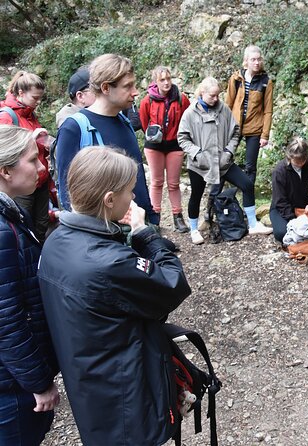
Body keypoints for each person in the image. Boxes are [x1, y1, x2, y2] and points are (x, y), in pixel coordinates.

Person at [38, 147, 191, 444]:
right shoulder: (109, 261)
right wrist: (145, 234)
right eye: (129, 192)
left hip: (87, 379)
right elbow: (173, 283)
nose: (132, 198)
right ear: (109, 200)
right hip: (126, 392)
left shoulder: (56, 240)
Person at [0, 125, 59, 445]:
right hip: (11, 389)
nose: (42, 168)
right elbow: (6, 321)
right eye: (33, 160)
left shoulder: (9, 212)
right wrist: (40, 382)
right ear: (5, 171)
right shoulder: (1, 231)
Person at [55, 53, 159, 225]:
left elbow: (137, 177)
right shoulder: (74, 129)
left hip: (138, 225)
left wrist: (151, 217)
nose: (135, 92)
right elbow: (68, 195)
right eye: (128, 86)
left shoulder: (124, 121)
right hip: (103, 234)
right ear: (105, 88)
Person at [178, 76, 271, 245]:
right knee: (196, 195)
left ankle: (252, 223)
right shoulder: (190, 113)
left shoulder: (224, 109)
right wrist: (197, 154)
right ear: (202, 93)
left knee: (247, 185)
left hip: (223, 162)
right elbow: (182, 138)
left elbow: (236, 132)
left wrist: (229, 151)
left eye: (218, 95)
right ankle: (193, 230)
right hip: (200, 164)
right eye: (212, 96)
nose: (216, 99)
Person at [0, 71, 56, 242]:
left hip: (40, 180)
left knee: (41, 225)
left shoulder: (30, 113)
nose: (38, 102)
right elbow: (6, 149)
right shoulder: (7, 115)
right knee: (23, 227)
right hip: (22, 182)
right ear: (21, 93)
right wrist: (33, 138)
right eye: (35, 98)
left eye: (40, 98)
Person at [139, 65, 191, 233]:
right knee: (156, 182)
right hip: (154, 146)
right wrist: (155, 135)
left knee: (174, 183)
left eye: (168, 79)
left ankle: (178, 217)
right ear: (155, 82)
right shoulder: (148, 100)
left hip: (175, 144)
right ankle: (155, 219)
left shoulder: (181, 98)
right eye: (162, 80)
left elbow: (188, 118)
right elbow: (143, 122)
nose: (167, 82)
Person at [225, 45, 274, 186]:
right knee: (224, 160)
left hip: (254, 129)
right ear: (246, 61)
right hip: (234, 126)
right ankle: (216, 199)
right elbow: (228, 105)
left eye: (259, 59)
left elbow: (268, 110)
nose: (257, 63)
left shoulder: (266, 82)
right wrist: (223, 126)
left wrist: (265, 135)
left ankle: (249, 201)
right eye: (253, 59)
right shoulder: (235, 79)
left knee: (250, 167)